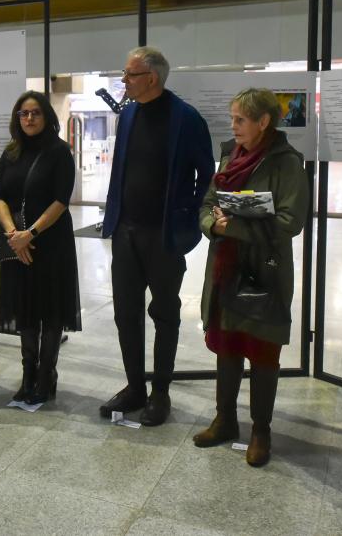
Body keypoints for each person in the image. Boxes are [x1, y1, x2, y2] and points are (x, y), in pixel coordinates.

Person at [193, 87, 308, 467]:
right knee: (226, 345)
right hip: (226, 266)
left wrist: (236, 226)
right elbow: (209, 202)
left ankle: (261, 429)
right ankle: (225, 419)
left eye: (241, 120)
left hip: (264, 271)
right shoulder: (230, 153)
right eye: (232, 119)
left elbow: (291, 221)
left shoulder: (287, 162)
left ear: (263, 122)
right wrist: (214, 225)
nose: (234, 126)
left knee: (262, 350)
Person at [100, 46, 215, 426]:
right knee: (125, 313)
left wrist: (188, 219)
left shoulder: (186, 118)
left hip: (163, 236)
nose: (124, 80)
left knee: (165, 313)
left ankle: (160, 392)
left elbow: (206, 177)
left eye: (130, 74)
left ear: (152, 78)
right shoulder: (130, 112)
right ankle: (135, 386)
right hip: (127, 232)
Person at [0, 91, 81, 404]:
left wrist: (29, 233)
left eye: (35, 113)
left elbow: (61, 199)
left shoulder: (59, 152)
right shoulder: (11, 152)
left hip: (51, 242)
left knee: (51, 310)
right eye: (23, 113)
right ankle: (28, 373)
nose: (28, 119)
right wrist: (13, 234)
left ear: (46, 117)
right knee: (25, 309)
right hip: (17, 242)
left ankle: (47, 375)